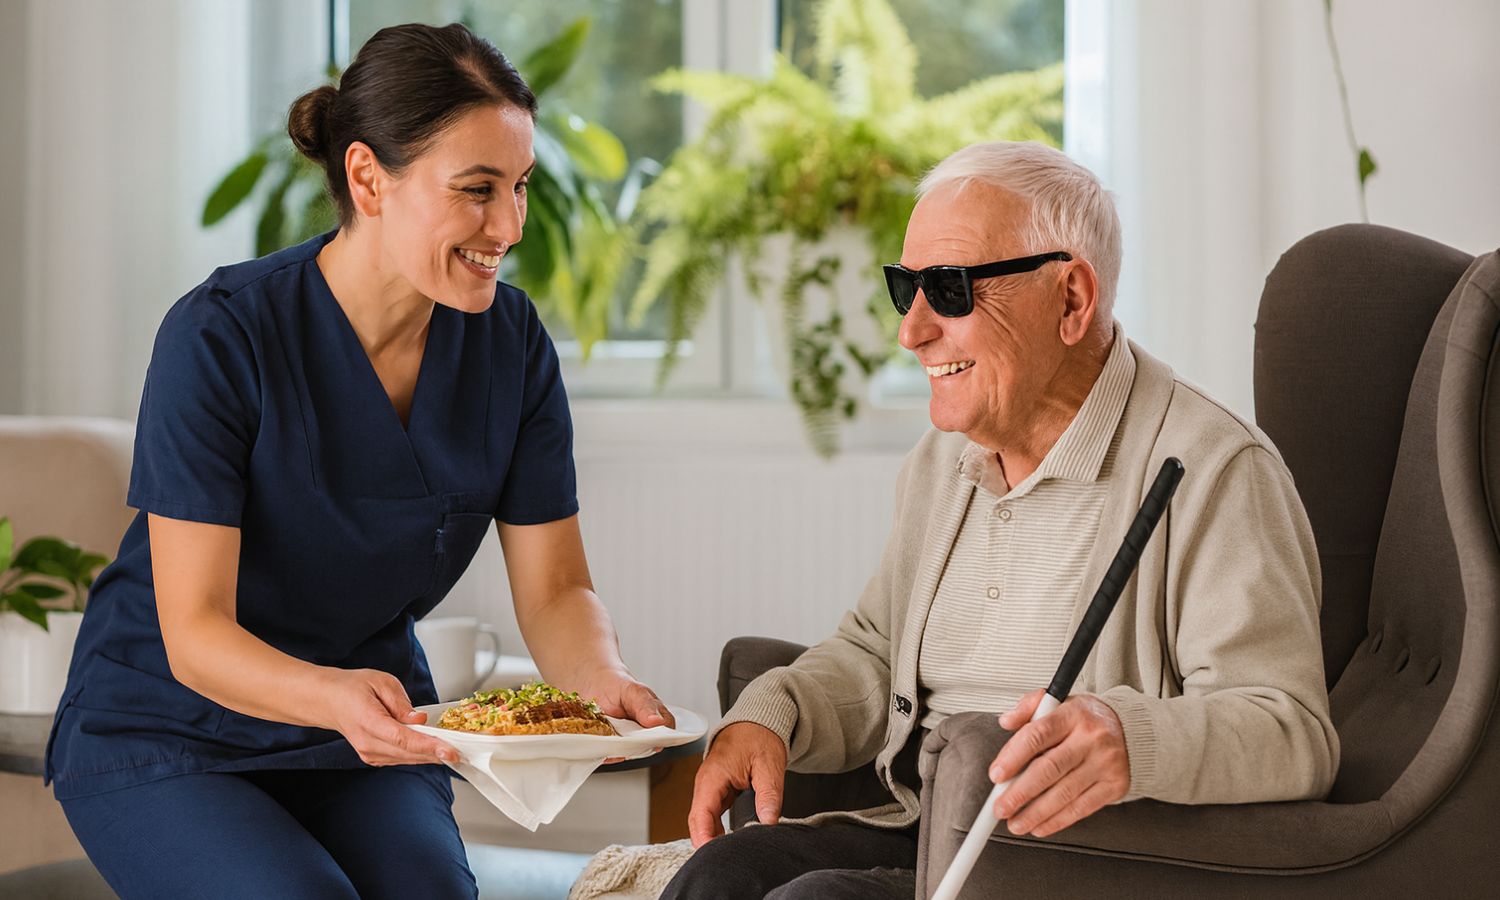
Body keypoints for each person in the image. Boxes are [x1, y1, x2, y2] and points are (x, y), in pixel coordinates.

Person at [44, 23, 671, 900]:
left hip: (368, 734)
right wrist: (334, 698)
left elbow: (556, 589)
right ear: (369, 177)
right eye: (477, 189)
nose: (510, 225)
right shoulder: (222, 334)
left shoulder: (511, 343)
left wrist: (600, 683)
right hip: (171, 729)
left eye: (520, 187)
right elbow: (194, 633)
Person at [662, 141, 1339, 899]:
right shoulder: (942, 461)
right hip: (924, 827)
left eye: (949, 289)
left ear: (1072, 300)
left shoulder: (1212, 468)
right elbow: (874, 653)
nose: (911, 331)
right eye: (904, 287)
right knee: (716, 876)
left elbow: (1291, 731)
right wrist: (771, 712)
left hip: (1077, 860)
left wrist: (1131, 741)